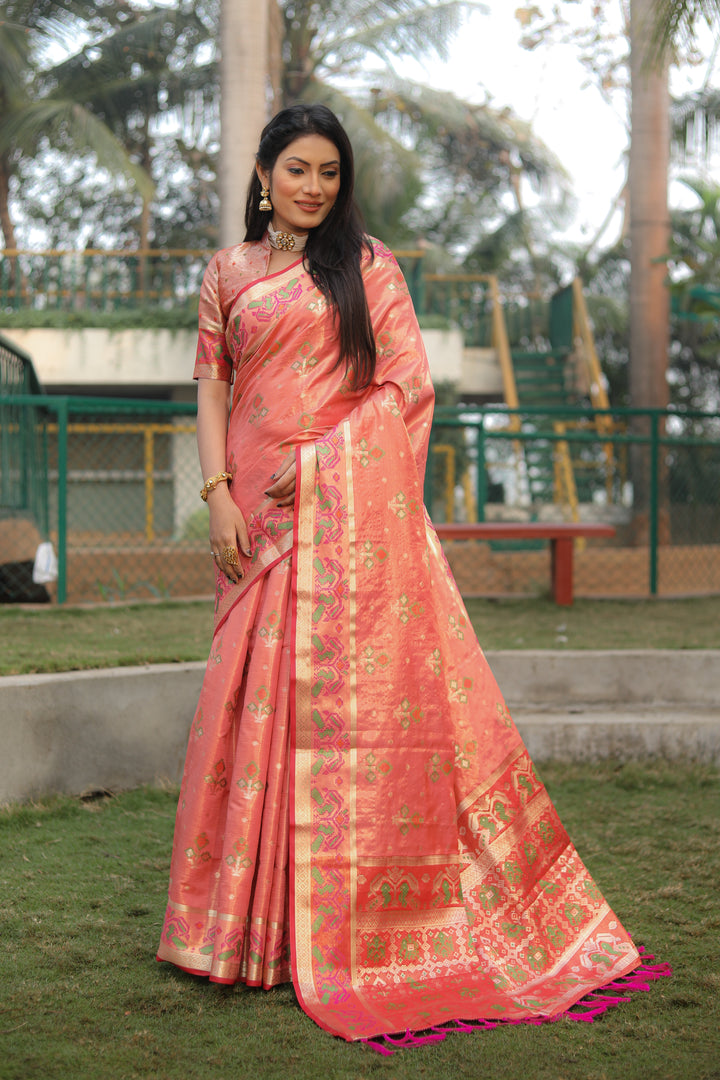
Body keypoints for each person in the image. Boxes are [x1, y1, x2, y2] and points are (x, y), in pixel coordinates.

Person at [157, 104, 665, 1048]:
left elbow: (406, 389)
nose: (314, 188)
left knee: (332, 716)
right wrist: (219, 490)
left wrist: (319, 466)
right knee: (244, 704)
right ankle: (241, 933)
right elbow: (213, 385)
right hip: (253, 517)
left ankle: (334, 931)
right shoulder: (226, 273)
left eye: (330, 174)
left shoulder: (368, 267)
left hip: (339, 517)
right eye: (298, 170)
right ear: (263, 174)